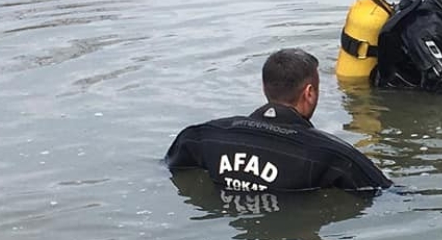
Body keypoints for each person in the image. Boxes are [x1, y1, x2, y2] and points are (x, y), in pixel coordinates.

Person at [165, 49, 392, 193]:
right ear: (309, 93)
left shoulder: (202, 136)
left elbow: (171, 169)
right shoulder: (334, 155)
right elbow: (387, 196)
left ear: (264, 87)